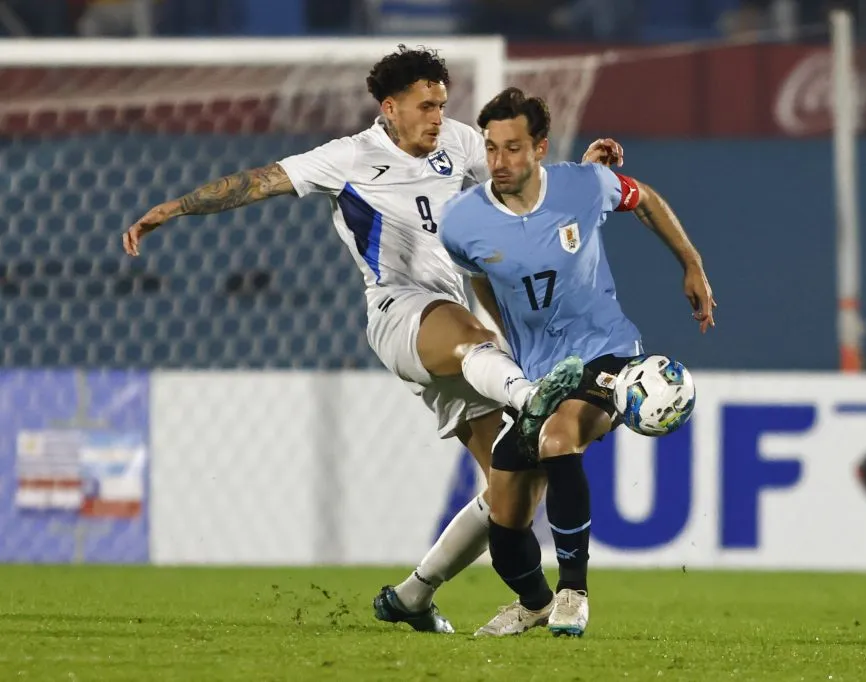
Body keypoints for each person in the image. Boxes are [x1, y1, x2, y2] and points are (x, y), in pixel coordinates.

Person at [121, 46, 623, 634]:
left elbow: (519, 183)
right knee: (471, 338)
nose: (438, 116)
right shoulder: (349, 158)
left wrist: (583, 171)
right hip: (400, 312)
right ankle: (529, 395)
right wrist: (175, 209)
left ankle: (416, 593)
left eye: (441, 104)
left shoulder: (461, 144)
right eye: (425, 106)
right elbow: (260, 182)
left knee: (514, 488)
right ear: (390, 108)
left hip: (458, 326)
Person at [438, 87, 716, 637]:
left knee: (560, 438)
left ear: (539, 147)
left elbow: (648, 200)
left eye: (513, 148)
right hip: (540, 374)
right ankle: (534, 601)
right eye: (491, 148)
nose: (499, 162)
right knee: (505, 518)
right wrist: (512, 340)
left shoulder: (584, 185)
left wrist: (692, 263)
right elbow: (480, 278)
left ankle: (573, 593)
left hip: (605, 352)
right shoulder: (462, 223)